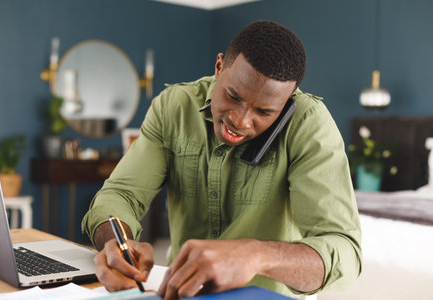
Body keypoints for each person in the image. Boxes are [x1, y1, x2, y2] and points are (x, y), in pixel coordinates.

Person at [82, 20, 362, 299]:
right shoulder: (173, 107)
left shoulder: (309, 125)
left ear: (287, 101)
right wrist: (116, 244)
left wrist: (256, 255)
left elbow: (346, 252)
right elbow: (120, 194)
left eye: (264, 112)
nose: (239, 121)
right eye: (233, 95)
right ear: (218, 67)